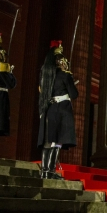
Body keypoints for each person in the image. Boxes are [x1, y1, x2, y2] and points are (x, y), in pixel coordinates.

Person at [37, 40, 79, 179]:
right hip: (61, 110)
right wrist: (70, 79)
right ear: (60, 62)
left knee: (48, 141)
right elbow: (74, 94)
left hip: (49, 109)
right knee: (57, 142)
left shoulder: (46, 76)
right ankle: (51, 171)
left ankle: (44, 171)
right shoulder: (65, 75)